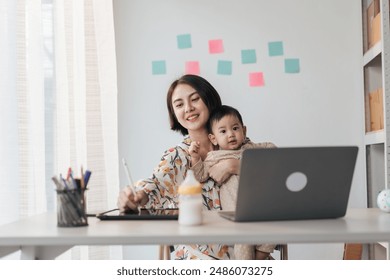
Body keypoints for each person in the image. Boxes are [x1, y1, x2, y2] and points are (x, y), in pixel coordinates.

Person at [117, 74, 240, 260]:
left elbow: (269, 171)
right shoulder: (177, 156)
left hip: (248, 248)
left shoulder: (235, 142)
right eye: (179, 104)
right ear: (174, 113)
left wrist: (235, 165)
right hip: (201, 256)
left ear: (209, 99)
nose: (188, 108)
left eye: (195, 99)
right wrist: (137, 196)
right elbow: (155, 186)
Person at [189, 105, 276, 260]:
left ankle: (259, 260)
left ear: (244, 131)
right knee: (243, 244)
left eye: (235, 128)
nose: (231, 134)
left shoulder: (251, 149)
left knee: (273, 232)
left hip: (261, 211)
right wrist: (195, 158)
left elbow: (273, 152)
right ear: (213, 138)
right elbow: (200, 175)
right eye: (223, 131)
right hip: (237, 216)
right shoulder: (214, 157)